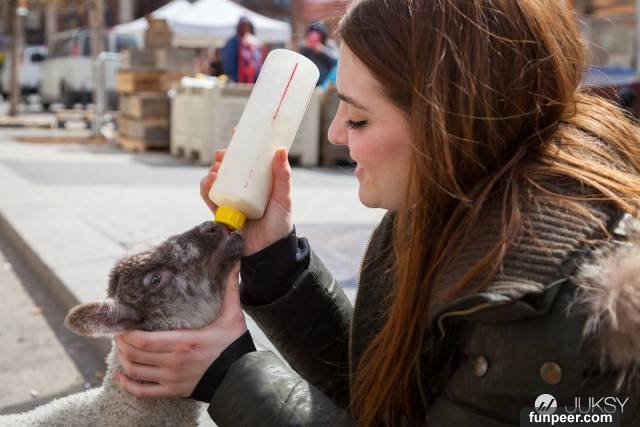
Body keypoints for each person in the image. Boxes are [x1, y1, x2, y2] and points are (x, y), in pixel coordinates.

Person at [114, 0, 640, 425]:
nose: (334, 134)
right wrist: (276, 260)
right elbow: (381, 396)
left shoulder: (562, 310)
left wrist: (229, 373)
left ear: (447, 120)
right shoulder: (441, 200)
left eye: (359, 118)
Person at [221, 16, 264, 83]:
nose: (246, 29)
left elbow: (259, 61)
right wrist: (234, 78)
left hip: (254, 80)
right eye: (244, 27)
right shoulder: (232, 43)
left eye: (248, 27)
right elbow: (229, 63)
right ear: (239, 28)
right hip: (238, 80)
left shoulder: (255, 42)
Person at [298, 22, 338, 87]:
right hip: (307, 83)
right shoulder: (304, 46)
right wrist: (307, 47)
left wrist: (323, 51)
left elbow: (335, 61)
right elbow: (299, 62)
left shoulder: (329, 45)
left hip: (324, 85)